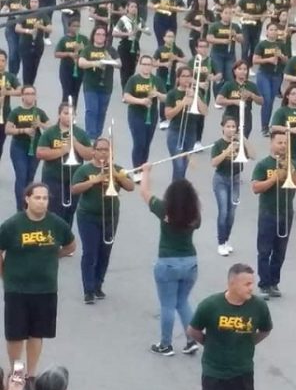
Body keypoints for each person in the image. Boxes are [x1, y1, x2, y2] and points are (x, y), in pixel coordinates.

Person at [0, 183, 76, 390]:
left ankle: (31, 375)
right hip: (17, 289)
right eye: (37, 198)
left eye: (45, 198)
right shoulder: (13, 225)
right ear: (27, 199)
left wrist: (54, 256)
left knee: (36, 334)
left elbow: (70, 245)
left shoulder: (56, 224)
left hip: (46, 289)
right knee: (15, 335)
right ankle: (17, 373)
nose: (41, 202)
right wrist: (6, 276)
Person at [138, 164, 201, 356]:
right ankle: (192, 340)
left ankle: (166, 344)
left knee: (167, 305)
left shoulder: (163, 208)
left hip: (168, 261)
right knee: (182, 302)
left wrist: (146, 172)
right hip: (190, 262)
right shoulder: (194, 214)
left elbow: (144, 192)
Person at [188, 263, 272, 390]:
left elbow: (265, 330)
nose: (251, 288)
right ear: (232, 284)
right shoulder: (210, 305)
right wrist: (209, 344)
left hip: (243, 375)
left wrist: (247, 342)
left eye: (252, 284)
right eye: (247, 284)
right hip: (214, 375)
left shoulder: (258, 306)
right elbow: (193, 330)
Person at [71, 137, 135, 304]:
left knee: (105, 252)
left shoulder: (118, 169)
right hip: (88, 216)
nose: (103, 153)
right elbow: (74, 189)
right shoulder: (85, 170)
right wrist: (94, 180)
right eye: (99, 149)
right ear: (93, 151)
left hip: (110, 216)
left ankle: (98, 284)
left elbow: (131, 186)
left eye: (106, 150)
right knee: (90, 253)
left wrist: (116, 175)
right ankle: (88, 289)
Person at [251, 131, 296, 298]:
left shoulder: (292, 163)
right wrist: (273, 179)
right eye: (279, 142)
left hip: (286, 212)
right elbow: (255, 188)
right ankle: (264, 284)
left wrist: (291, 170)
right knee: (264, 250)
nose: (282, 146)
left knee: (280, 250)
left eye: (285, 143)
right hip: (268, 212)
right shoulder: (263, 164)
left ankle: (274, 282)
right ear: (271, 144)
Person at [35, 102, 94, 227]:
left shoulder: (80, 133)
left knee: (69, 211)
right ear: (59, 115)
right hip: (53, 178)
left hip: (75, 178)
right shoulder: (50, 132)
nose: (69, 116)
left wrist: (76, 144)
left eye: (72, 114)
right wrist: (62, 151)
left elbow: (89, 155)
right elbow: (40, 153)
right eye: (66, 113)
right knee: (54, 211)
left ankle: (65, 238)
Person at [211, 117, 254, 256]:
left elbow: (253, 155)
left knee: (232, 212)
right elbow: (214, 163)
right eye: (228, 126)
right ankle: (221, 242)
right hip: (221, 180)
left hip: (235, 179)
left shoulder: (239, 143)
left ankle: (226, 240)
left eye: (233, 126)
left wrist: (244, 140)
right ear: (222, 128)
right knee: (223, 211)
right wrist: (227, 151)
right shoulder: (218, 144)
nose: (231, 129)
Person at [5, 85, 50, 211]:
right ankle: (20, 208)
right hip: (19, 148)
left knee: (30, 177)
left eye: (32, 94)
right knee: (21, 176)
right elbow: (8, 130)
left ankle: (29, 204)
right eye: (27, 93)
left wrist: (40, 124)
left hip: (35, 148)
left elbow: (50, 128)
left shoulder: (39, 112)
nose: (30, 96)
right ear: (22, 96)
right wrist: (23, 130)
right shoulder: (16, 112)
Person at [122, 56, 167, 183]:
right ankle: (136, 170)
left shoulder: (156, 81)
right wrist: (141, 101)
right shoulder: (134, 79)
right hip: (136, 115)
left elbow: (166, 98)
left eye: (149, 64)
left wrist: (157, 94)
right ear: (140, 65)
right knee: (139, 142)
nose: (147, 66)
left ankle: (143, 168)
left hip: (151, 116)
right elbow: (126, 96)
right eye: (144, 64)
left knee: (147, 144)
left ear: (152, 66)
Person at [164, 66, 208, 181]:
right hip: (175, 132)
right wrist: (182, 104)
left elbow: (205, 112)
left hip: (190, 133)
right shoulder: (172, 94)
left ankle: (177, 191)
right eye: (183, 76)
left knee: (183, 167)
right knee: (178, 165)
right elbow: (168, 115)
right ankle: (177, 192)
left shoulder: (196, 93)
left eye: (189, 76)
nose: (186, 79)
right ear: (178, 78)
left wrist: (196, 98)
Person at [77, 24, 121, 140]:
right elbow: (81, 63)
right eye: (98, 34)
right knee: (91, 110)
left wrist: (110, 60)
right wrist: (96, 63)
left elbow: (119, 64)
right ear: (93, 36)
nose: (100, 36)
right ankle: (90, 136)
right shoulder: (88, 49)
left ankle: (97, 135)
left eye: (103, 34)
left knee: (101, 112)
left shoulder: (110, 50)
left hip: (106, 86)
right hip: (91, 85)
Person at [254, 22, 288, 137]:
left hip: (276, 75)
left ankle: (267, 124)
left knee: (271, 101)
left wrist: (281, 56)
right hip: (264, 74)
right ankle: (264, 127)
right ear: (267, 32)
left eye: (275, 30)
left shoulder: (281, 44)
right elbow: (255, 60)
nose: (273, 32)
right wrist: (268, 60)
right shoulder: (262, 45)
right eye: (271, 29)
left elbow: (287, 61)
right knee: (267, 98)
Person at [216, 59, 263, 138]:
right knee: (230, 140)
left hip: (246, 117)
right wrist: (234, 101)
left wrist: (251, 95)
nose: (242, 71)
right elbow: (219, 100)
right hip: (230, 116)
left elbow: (261, 101)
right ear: (234, 71)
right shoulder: (229, 84)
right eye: (240, 69)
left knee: (243, 140)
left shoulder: (251, 85)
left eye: (245, 69)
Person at [153, 30, 188, 130]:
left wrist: (175, 57)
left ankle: (170, 115)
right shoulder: (160, 49)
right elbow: (153, 62)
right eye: (168, 36)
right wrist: (163, 64)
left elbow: (185, 60)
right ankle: (162, 119)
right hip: (161, 75)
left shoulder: (176, 49)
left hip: (172, 75)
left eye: (172, 37)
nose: (170, 39)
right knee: (163, 96)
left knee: (170, 96)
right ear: (164, 38)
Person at [206, 6, 243, 95]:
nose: (228, 15)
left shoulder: (235, 26)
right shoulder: (215, 25)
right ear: (221, 14)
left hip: (230, 55)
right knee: (218, 76)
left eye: (230, 13)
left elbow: (241, 40)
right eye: (226, 13)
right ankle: (217, 97)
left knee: (230, 76)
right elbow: (209, 38)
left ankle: (226, 95)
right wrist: (222, 41)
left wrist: (235, 35)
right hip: (217, 54)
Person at [15, 0, 51, 86]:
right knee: (26, 66)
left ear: (39, 3)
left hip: (38, 44)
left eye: (36, 2)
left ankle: (30, 85)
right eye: (32, 2)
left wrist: (41, 27)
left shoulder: (42, 14)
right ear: (29, 3)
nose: (34, 4)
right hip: (25, 44)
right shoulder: (25, 13)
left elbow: (50, 29)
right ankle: (26, 86)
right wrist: (28, 31)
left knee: (34, 67)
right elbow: (17, 28)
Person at [54, 18, 88, 106]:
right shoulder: (64, 39)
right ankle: (64, 114)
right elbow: (56, 53)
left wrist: (82, 49)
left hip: (79, 70)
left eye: (78, 26)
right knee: (66, 93)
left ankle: (73, 114)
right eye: (74, 26)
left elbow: (89, 52)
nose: (76, 28)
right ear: (69, 27)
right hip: (66, 69)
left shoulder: (83, 39)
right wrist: (69, 54)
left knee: (75, 93)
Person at [111, 1, 144, 90]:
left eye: (135, 7)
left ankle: (129, 89)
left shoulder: (140, 20)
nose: (134, 9)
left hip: (135, 45)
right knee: (125, 69)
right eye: (132, 7)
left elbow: (148, 31)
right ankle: (125, 90)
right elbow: (114, 33)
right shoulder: (123, 20)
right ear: (127, 8)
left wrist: (141, 29)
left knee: (132, 69)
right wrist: (127, 34)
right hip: (125, 45)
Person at [0, 50, 22, 162]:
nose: (1, 63)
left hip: (4, 116)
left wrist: (7, 93)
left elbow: (20, 90)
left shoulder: (10, 77)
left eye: (3, 61)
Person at [237, 0, 266, 69]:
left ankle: (249, 65)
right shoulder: (245, 0)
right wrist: (244, 14)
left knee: (255, 47)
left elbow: (265, 11)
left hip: (257, 26)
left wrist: (263, 17)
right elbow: (237, 11)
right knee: (245, 47)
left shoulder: (262, 0)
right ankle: (242, 66)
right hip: (246, 26)